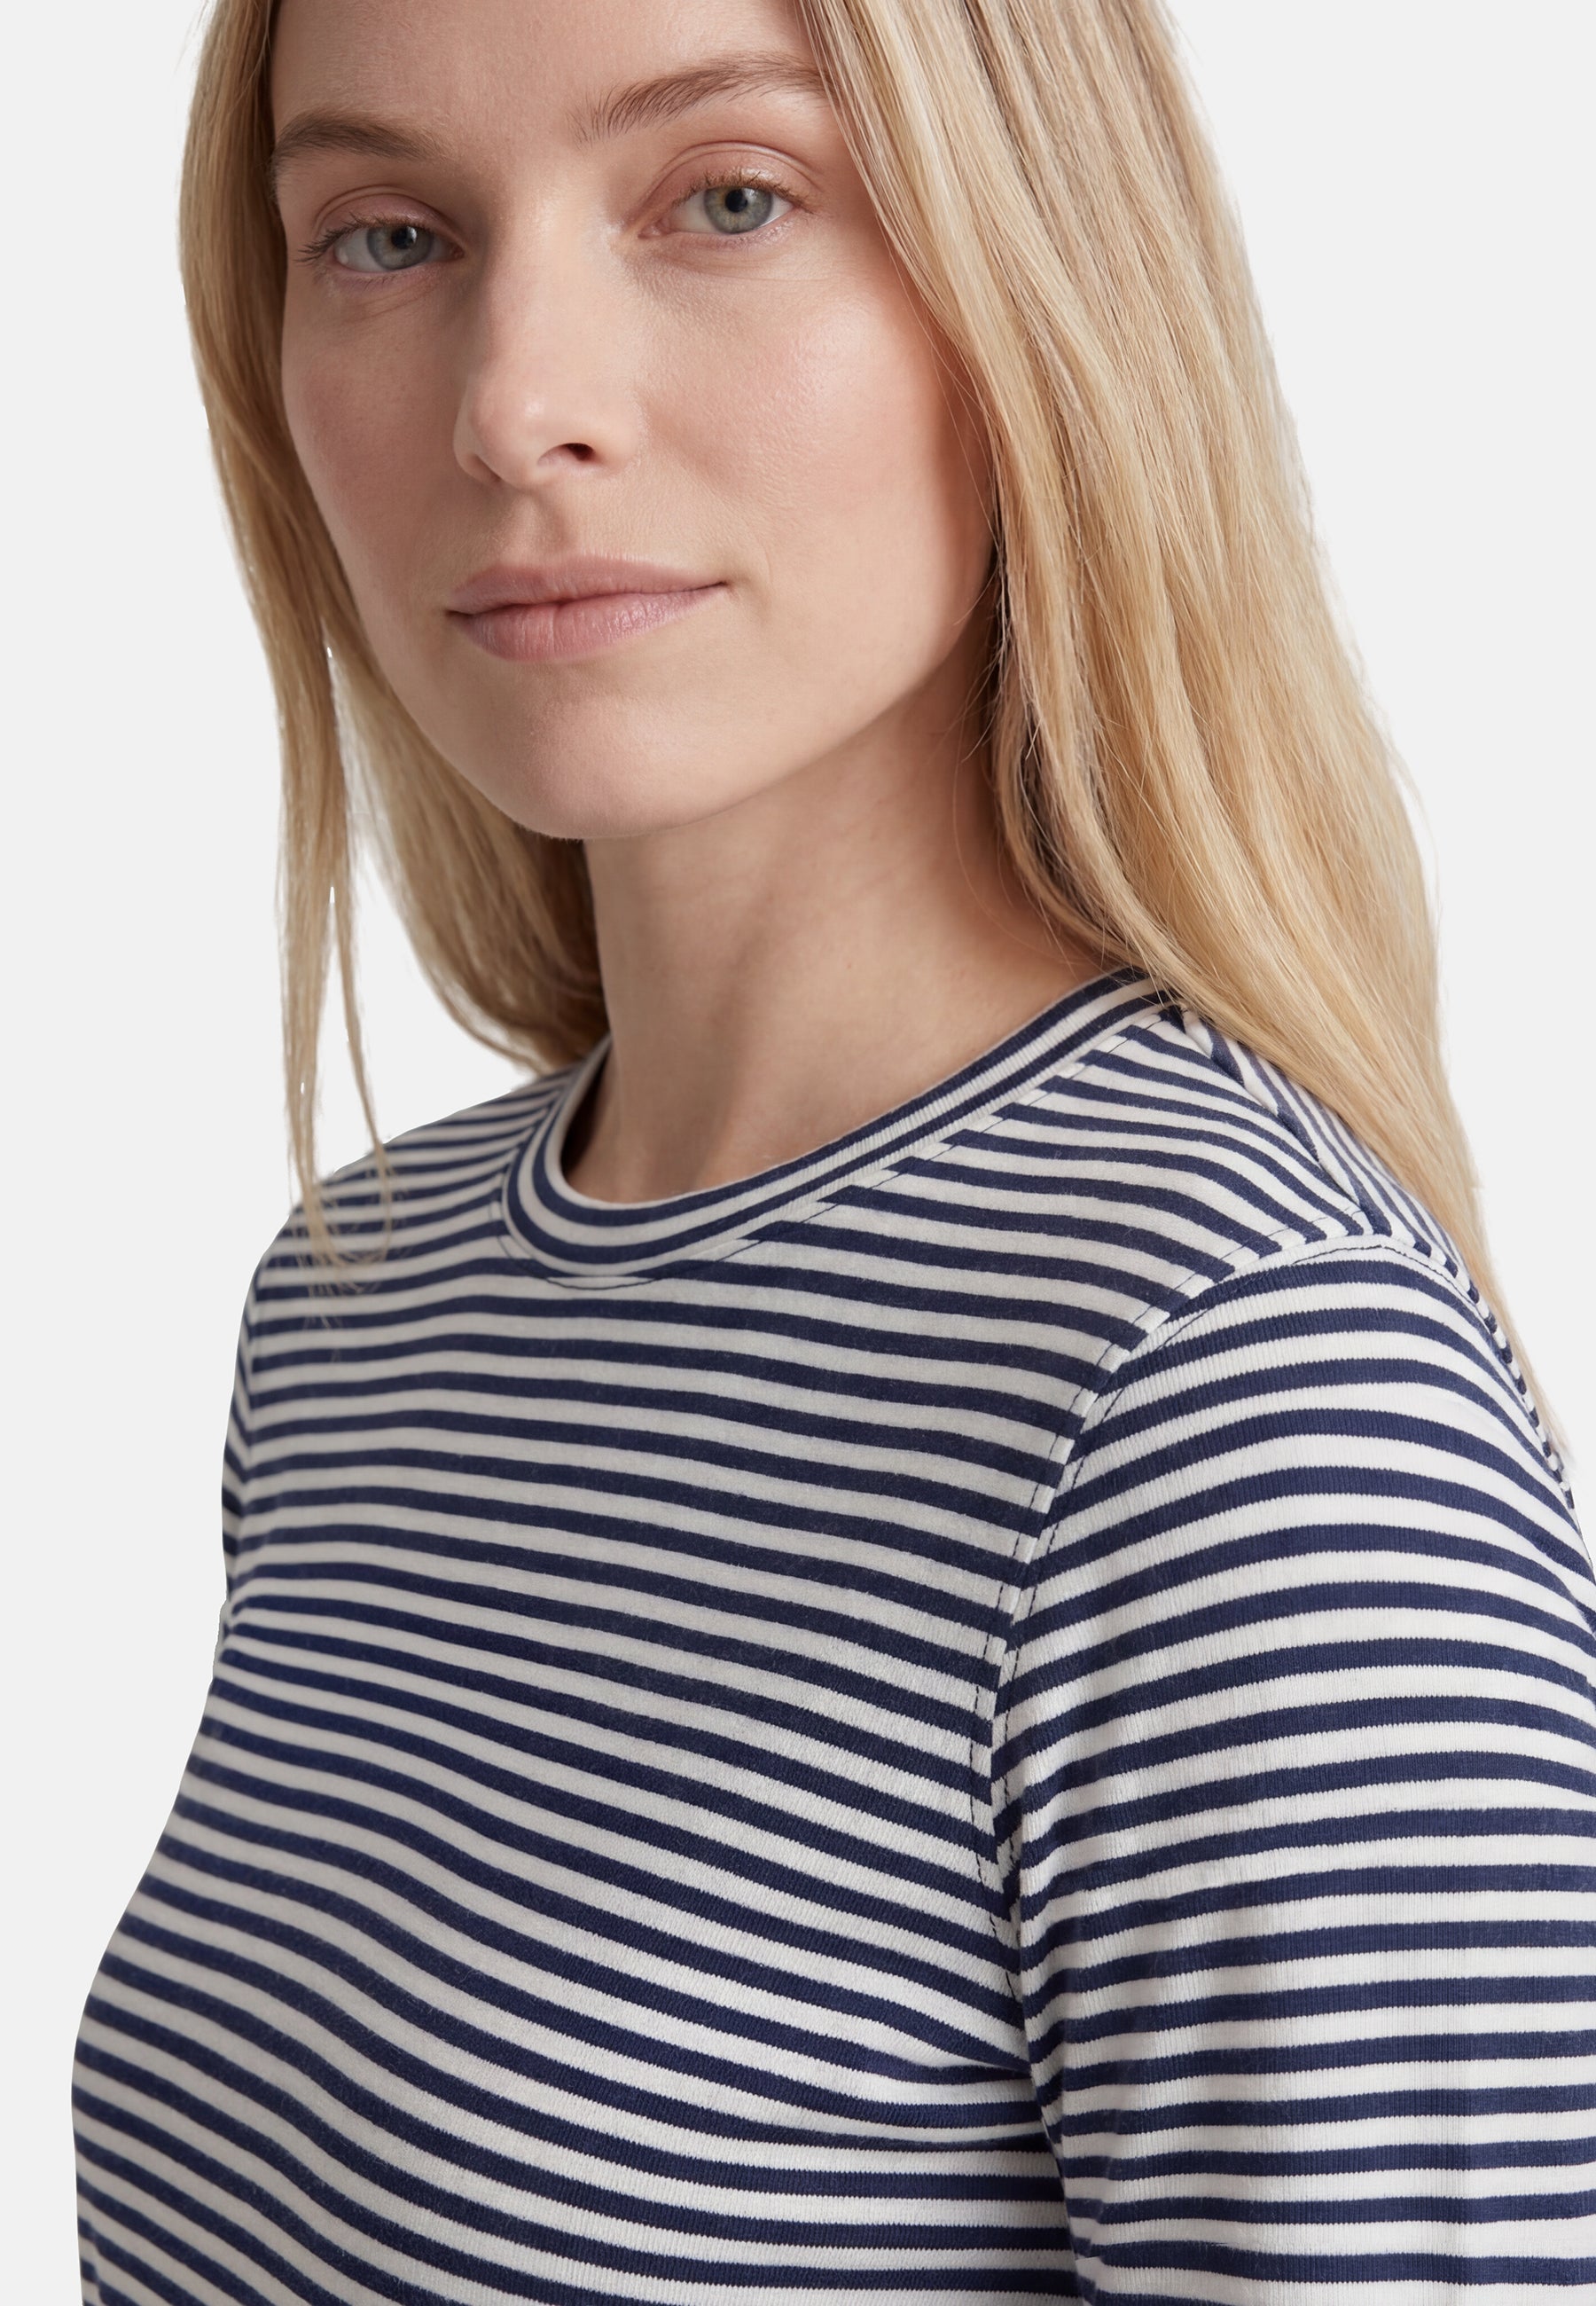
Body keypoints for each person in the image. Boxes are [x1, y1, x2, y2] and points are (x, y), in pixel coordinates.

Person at [73, 0, 1593, 2298]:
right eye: (386, 236)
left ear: (1039, 285)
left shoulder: (1230, 1395)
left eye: (730, 197)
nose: (513, 404)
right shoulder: (359, 1305)